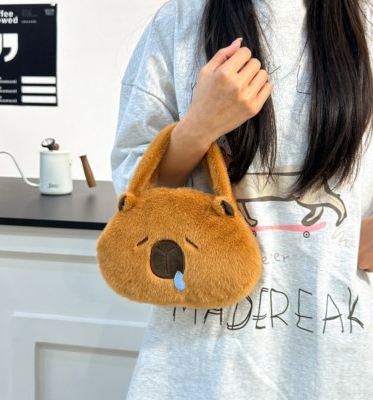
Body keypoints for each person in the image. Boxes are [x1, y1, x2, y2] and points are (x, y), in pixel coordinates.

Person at [111, 0, 373, 398]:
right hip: (198, 366)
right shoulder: (181, 21)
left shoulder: (366, 25)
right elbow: (134, 192)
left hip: (334, 359)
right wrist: (198, 128)